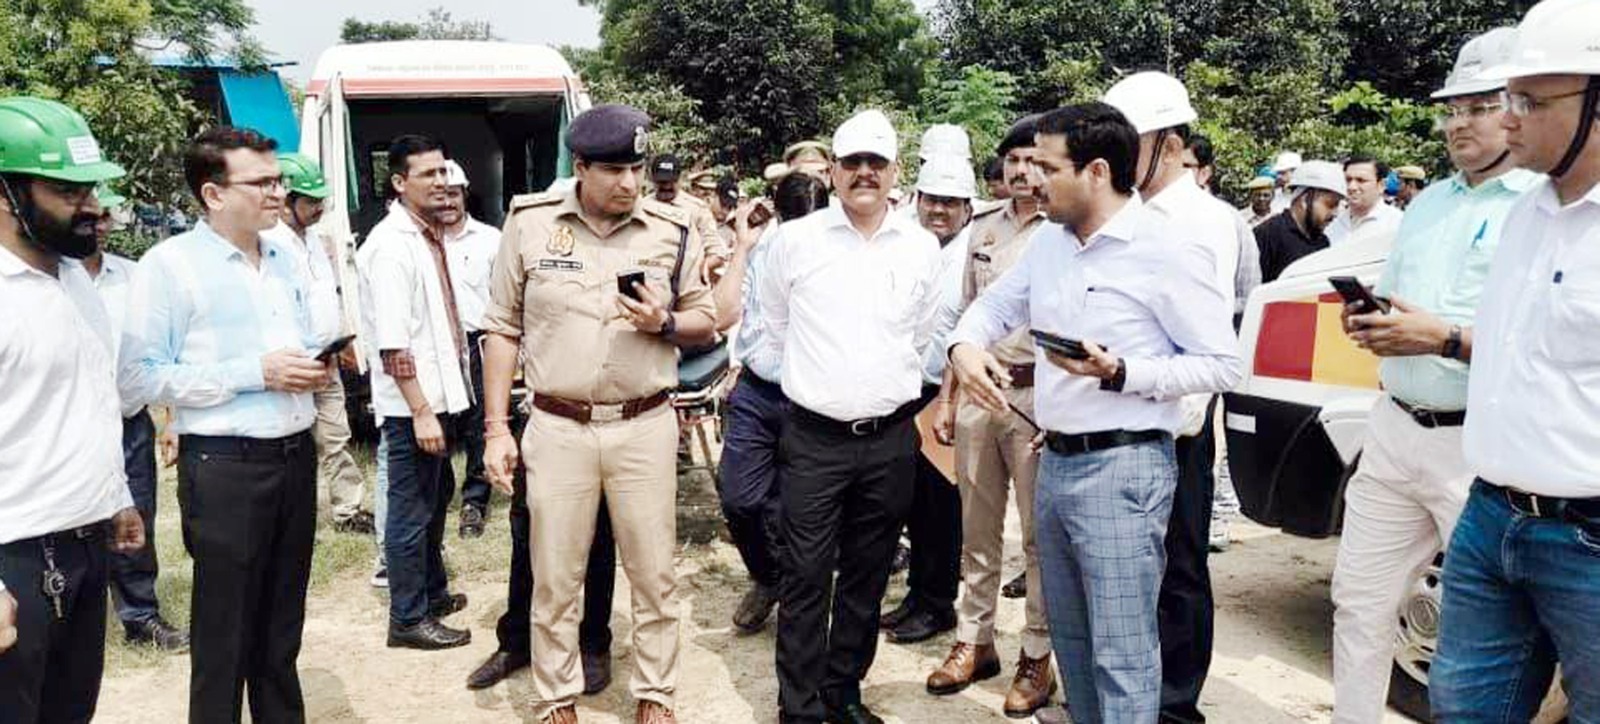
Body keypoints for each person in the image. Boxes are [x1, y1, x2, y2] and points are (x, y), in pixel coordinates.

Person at [948, 102, 1242, 724]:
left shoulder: (1166, 249)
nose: (1032, 180)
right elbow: (994, 307)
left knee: (1122, 653)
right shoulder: (1050, 245)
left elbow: (1222, 364)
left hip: (1124, 467)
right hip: (1055, 462)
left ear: (1098, 171)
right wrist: (965, 347)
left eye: (1048, 168)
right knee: (1076, 646)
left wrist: (1123, 371)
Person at [480, 104, 717, 724]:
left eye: (637, 169)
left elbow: (707, 319)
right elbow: (501, 328)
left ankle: (656, 694)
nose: (630, 183)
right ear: (579, 166)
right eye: (613, 170)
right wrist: (496, 428)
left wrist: (665, 322)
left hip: (644, 424)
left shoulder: (672, 229)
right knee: (555, 575)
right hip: (558, 426)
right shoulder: (530, 223)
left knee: (654, 573)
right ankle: (556, 697)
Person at [1328, 26, 1534, 724]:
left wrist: (1442, 339)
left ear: (1520, 107)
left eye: (1478, 107)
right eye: (1451, 109)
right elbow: (1399, 297)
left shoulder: (1543, 206)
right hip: (1394, 431)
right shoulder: (1428, 204)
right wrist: (1374, 320)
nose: (1458, 124)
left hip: (1478, 446)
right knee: (1359, 603)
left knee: (1490, 634)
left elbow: (1541, 344)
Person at [120, 126, 325, 723]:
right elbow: (137, 378)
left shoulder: (285, 257)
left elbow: (296, 343)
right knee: (224, 634)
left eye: (279, 181)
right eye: (262, 183)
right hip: (225, 466)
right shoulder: (170, 266)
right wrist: (254, 373)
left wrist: (312, 365)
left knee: (281, 630)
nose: (278, 192)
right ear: (213, 194)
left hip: (295, 456)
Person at [1431, 2, 1600, 718]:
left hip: (1587, 541)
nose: (1507, 120)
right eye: (1508, 99)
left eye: (1529, 101)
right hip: (1489, 518)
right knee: (1462, 708)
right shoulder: (1527, 213)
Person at [754, 109, 942, 724]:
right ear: (832, 171)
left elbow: (920, 335)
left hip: (890, 439)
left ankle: (843, 691)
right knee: (806, 575)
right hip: (814, 439)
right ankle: (799, 706)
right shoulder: (796, 241)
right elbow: (776, 327)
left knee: (868, 572)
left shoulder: (921, 246)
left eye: (876, 162)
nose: (865, 173)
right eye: (853, 162)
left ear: (896, 172)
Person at [1103, 70, 1259, 724]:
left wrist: (1184, 418)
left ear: (1169, 145)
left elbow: (1222, 325)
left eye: (1128, 141)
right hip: (1122, 414)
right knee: (1126, 572)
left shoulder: (1206, 222)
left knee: (1178, 569)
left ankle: (1173, 707)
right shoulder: (1128, 213)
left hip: (1175, 425)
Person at [0, 95, 145, 724]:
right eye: (68, 191)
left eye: (91, 189)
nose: (92, 206)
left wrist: (116, 496)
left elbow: (87, 400)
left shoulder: (75, 278)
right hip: (14, 554)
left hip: (85, 543)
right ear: (5, 195)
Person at [923, 114, 1056, 718]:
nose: (1022, 171)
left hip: (1036, 398)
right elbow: (967, 319)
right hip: (979, 395)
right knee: (976, 531)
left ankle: (1036, 654)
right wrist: (949, 398)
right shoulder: (983, 228)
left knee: (1037, 539)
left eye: (1032, 160)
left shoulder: (1065, 230)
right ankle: (974, 640)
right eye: (1013, 161)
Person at [357, 135, 474, 651]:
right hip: (413, 408)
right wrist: (422, 411)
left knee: (435, 498)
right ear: (400, 182)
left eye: (443, 171)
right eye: (427, 174)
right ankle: (407, 618)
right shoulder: (390, 245)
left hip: (438, 399)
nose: (440, 182)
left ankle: (431, 592)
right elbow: (393, 345)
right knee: (409, 513)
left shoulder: (426, 235)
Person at [709, 173, 827, 636]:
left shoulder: (841, 257)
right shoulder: (760, 249)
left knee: (802, 509)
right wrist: (742, 245)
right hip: (758, 391)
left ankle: (800, 597)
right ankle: (768, 575)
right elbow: (724, 315)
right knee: (739, 497)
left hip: (813, 396)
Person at [76, 185, 192, 654]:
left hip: (129, 422)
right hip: (72, 426)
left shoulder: (133, 277)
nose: (100, 224)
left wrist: (172, 419)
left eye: (106, 215)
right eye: (92, 215)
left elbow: (162, 352)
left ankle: (140, 616)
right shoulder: (51, 277)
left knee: (137, 516)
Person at [880, 151, 977, 646]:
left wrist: (951, 399)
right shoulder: (906, 243)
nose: (939, 210)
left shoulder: (974, 251)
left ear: (967, 208)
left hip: (949, 391)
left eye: (951, 202)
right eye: (932, 200)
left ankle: (938, 604)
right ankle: (918, 595)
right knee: (913, 503)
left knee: (942, 505)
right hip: (905, 390)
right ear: (917, 199)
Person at [265, 153, 375, 539]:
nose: (319, 208)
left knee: (336, 436)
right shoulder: (268, 244)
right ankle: (286, 517)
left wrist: (342, 339)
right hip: (292, 364)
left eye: (321, 200)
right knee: (289, 445)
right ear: (287, 200)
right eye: (311, 201)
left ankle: (348, 509)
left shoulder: (315, 240)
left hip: (326, 359)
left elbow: (330, 296)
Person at [436, 159, 501, 539]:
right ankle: (440, 494)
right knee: (441, 423)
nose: (447, 202)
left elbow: (503, 297)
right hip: (437, 344)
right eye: (440, 195)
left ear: (464, 195)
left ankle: (475, 501)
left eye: (453, 194)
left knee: (480, 424)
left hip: (479, 342)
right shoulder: (421, 241)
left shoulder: (490, 239)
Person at [1255, 160, 1347, 283]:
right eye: (1330, 204)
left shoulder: (1322, 243)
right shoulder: (1267, 235)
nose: (1335, 213)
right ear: (1305, 200)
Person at [652, 154, 729, 280]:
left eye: (671, 182)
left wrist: (701, 269)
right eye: (662, 182)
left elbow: (717, 253)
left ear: (680, 180)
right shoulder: (642, 207)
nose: (666, 186)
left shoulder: (697, 210)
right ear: (653, 180)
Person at [1326, 154, 1403, 246]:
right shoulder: (1331, 222)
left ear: (1381, 185)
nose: (1351, 187)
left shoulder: (1398, 224)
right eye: (1348, 180)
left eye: (1361, 180)